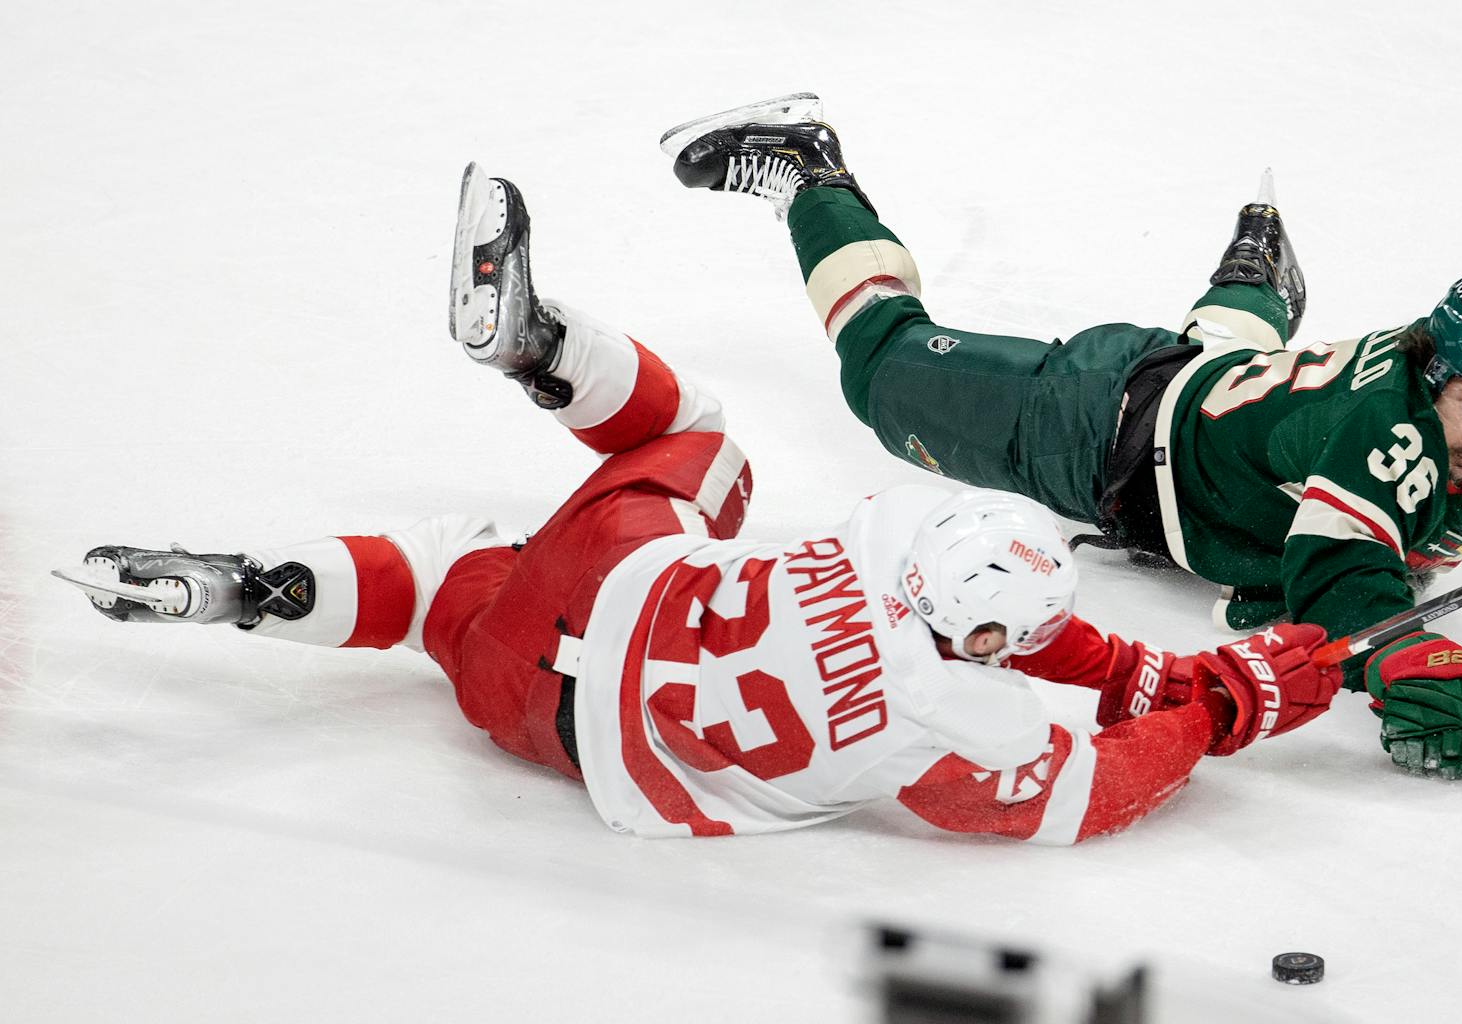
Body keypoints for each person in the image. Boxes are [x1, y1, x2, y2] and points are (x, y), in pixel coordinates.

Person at [51, 165, 1339, 844]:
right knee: (446, 595)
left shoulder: (895, 530)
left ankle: (540, 353)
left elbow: (993, 613)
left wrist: (1156, 677)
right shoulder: (943, 713)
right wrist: (1212, 704)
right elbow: (1083, 790)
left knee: (690, 439)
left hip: (620, 579)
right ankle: (248, 585)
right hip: (549, 724)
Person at [655, 94, 1462, 781]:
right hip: (1093, 424)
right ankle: (809, 169)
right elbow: (1354, 568)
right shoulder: (1382, 428)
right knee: (882, 371)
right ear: (1431, 366)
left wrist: (1323, 598)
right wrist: (1405, 651)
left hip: (1202, 416)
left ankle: (1254, 286)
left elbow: (1385, 546)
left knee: (1238, 399)